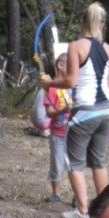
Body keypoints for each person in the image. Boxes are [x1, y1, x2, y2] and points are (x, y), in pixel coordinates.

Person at [40, 2, 109, 218]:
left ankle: (83, 211)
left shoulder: (76, 46)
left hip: (84, 111)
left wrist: (49, 83)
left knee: (75, 163)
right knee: (99, 162)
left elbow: (70, 81)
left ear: (82, 22)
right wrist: (107, 108)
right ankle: (102, 212)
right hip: (106, 111)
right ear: (101, 25)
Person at [44, 54, 72, 203]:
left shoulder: (73, 86)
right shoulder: (52, 87)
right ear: (60, 65)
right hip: (57, 133)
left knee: (74, 164)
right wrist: (62, 111)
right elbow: (49, 112)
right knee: (57, 162)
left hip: (73, 133)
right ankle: (56, 194)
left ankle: (77, 195)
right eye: (70, 65)